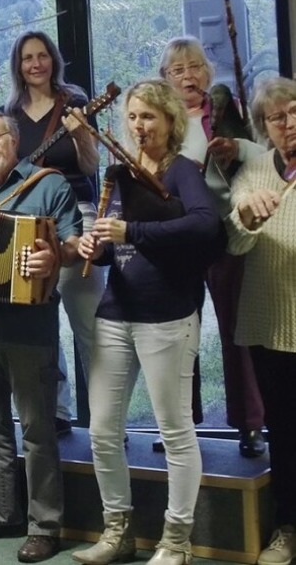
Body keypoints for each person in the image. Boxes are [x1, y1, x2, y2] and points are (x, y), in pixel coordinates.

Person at [70, 80, 222, 565]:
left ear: (171, 121)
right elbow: (120, 247)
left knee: (174, 430)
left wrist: (129, 229)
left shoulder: (182, 172)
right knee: (102, 430)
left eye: (150, 117)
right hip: (117, 311)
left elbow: (204, 225)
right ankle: (118, 531)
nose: (140, 125)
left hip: (167, 314)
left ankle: (176, 540)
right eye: (134, 116)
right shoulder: (120, 173)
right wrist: (99, 245)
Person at [0, 109, 82, 563]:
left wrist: (53, 259)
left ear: (13, 140)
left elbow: (71, 247)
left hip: (30, 328)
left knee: (39, 432)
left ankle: (45, 525)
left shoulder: (49, 184)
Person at [159, 36, 267, 457]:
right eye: (178, 69)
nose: (188, 75)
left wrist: (236, 147)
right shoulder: (161, 118)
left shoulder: (229, 110)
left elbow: (266, 156)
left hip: (226, 231)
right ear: (165, 78)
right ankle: (181, 426)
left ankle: (251, 425)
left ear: (208, 71)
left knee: (236, 331)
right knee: (179, 335)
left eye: (195, 66)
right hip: (180, 236)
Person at [3, 30, 105, 435]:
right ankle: (57, 412)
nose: (36, 64)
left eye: (42, 55)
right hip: (28, 222)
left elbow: (91, 165)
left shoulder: (75, 102)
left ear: (53, 59)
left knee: (88, 320)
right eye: (28, 57)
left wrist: (80, 131)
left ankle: (104, 417)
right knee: (40, 321)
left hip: (75, 216)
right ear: (19, 65)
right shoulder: (8, 111)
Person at [225, 76, 296, 565]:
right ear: (264, 127)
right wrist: (246, 217)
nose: (288, 123)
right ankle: (287, 529)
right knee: (286, 434)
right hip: (273, 324)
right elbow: (235, 243)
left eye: (294, 112)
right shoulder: (252, 168)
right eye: (277, 117)